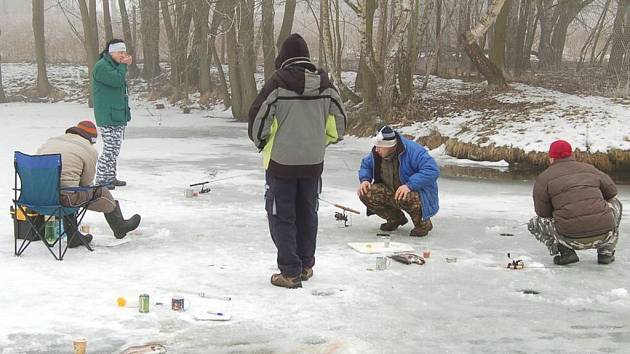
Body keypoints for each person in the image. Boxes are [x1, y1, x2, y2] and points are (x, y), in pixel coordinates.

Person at [248, 33, 346, 289]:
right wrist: (319, 142)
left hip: (281, 163)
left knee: (282, 216)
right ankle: (305, 265)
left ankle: (290, 272)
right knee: (307, 213)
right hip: (313, 163)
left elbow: (258, 119)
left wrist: (263, 142)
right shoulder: (326, 86)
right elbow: (340, 124)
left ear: (284, 57)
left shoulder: (277, 83)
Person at [37, 121, 141, 248]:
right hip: (65, 199)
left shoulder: (51, 142)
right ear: (91, 139)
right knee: (98, 191)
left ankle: (73, 236)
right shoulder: (88, 149)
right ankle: (120, 226)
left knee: (65, 187)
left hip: (36, 197)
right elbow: (87, 183)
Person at [528, 140, 622, 265]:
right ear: (572, 155)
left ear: (551, 157)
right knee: (615, 203)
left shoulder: (544, 178)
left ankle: (565, 252)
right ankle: (606, 252)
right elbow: (612, 192)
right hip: (604, 234)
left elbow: (542, 213)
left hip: (568, 238)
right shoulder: (590, 169)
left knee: (534, 223)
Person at [357, 126, 439, 237]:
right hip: (391, 191)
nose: (376, 149)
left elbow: (432, 170)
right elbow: (366, 165)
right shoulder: (377, 153)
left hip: (413, 193)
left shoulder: (412, 150)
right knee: (365, 192)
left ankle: (423, 224)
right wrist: (365, 180)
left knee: (407, 194)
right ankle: (395, 218)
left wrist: (409, 185)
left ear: (389, 146)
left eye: (379, 147)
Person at [92, 38, 133, 190]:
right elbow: (116, 80)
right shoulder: (102, 66)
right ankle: (101, 179)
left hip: (116, 114)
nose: (123, 55)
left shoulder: (114, 65)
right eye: (120, 52)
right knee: (110, 148)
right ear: (112, 52)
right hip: (107, 115)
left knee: (115, 148)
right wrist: (123, 65)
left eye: (124, 52)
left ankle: (110, 176)